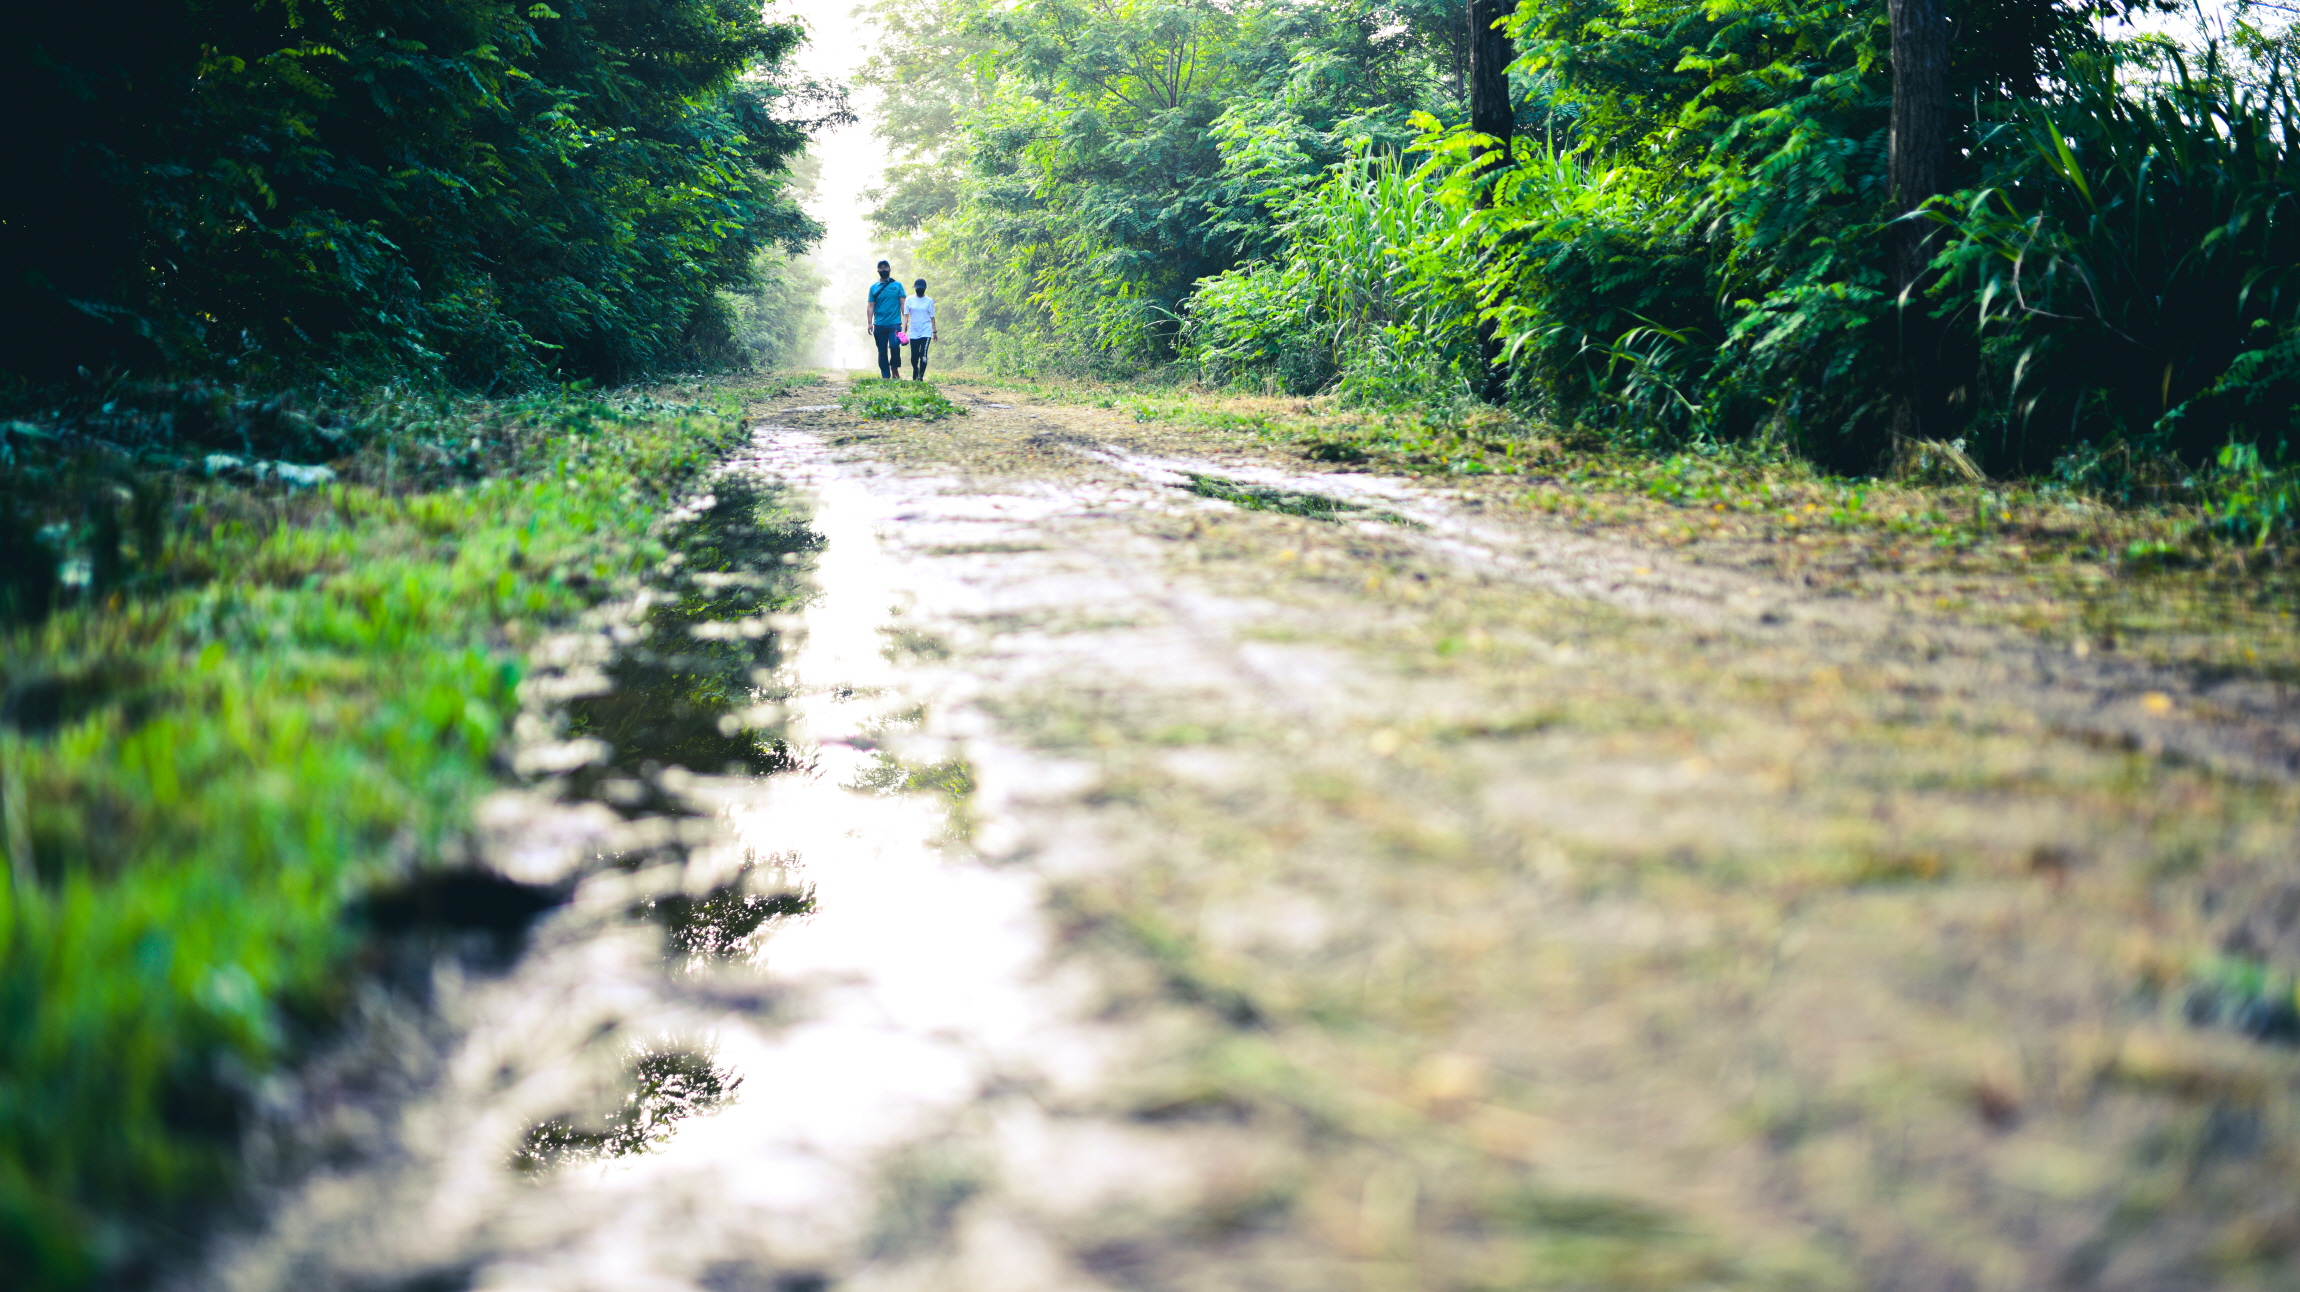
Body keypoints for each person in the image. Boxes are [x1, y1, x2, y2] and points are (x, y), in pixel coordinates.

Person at [865, 259, 905, 379]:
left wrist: (905, 320)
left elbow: (903, 303)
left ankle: (894, 369)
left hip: (895, 323)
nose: (883, 269)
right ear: (878, 270)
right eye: (881, 267)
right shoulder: (873, 288)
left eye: (885, 267)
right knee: (882, 351)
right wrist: (869, 323)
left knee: (894, 346)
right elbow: (870, 305)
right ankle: (885, 375)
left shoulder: (897, 285)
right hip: (879, 324)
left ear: (889, 269)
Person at [903, 279, 936, 381]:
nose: (919, 289)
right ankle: (915, 370)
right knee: (914, 356)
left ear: (925, 288)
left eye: (921, 288)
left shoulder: (929, 301)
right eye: (918, 288)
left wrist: (934, 331)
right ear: (915, 288)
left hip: (926, 330)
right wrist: (903, 331)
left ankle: (920, 376)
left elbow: (932, 317)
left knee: (923, 354)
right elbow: (905, 316)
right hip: (914, 331)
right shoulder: (909, 300)